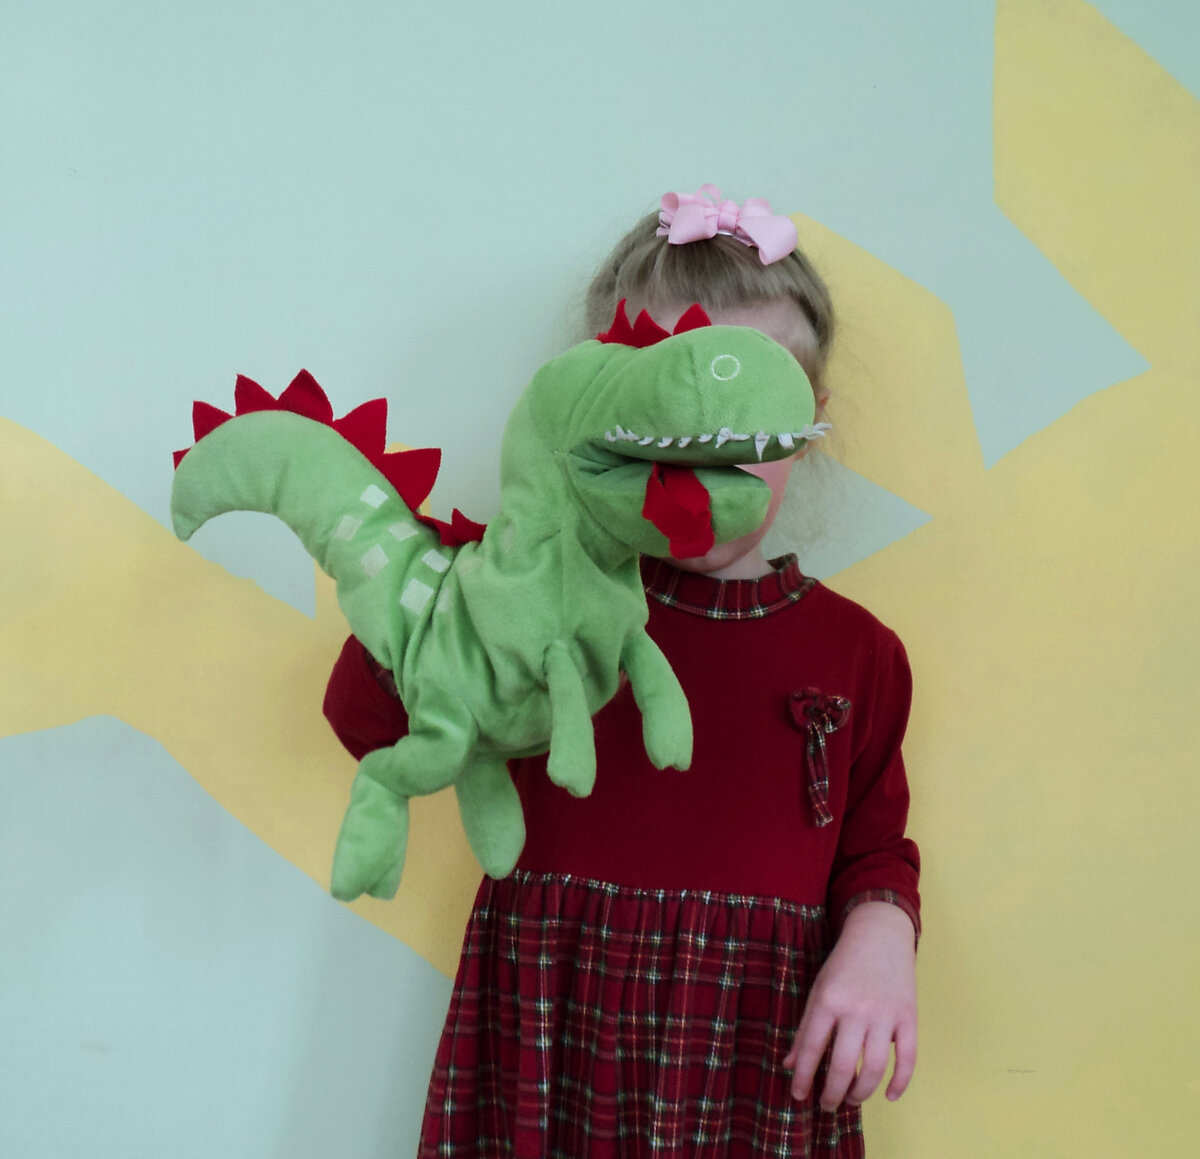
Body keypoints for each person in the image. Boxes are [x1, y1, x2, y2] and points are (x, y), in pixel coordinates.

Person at [323, 185, 920, 1158]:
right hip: (553, 1049)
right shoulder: (540, 602)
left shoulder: (859, 653)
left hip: (751, 1066)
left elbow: (874, 847)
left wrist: (882, 939)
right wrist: (461, 587)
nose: (705, 463)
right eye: (668, 416)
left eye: (746, 419)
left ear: (807, 418)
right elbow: (367, 721)